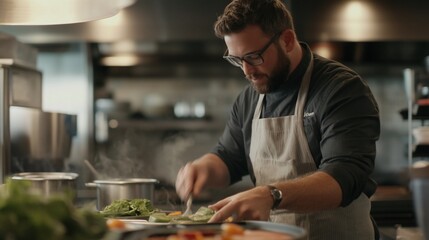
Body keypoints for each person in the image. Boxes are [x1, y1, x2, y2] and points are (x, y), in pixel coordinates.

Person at [175, 0, 380, 239]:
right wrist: (203, 168)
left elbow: (345, 175)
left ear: (287, 40)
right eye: (236, 59)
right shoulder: (250, 98)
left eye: (253, 56)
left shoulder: (340, 89)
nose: (246, 71)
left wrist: (271, 195)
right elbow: (229, 157)